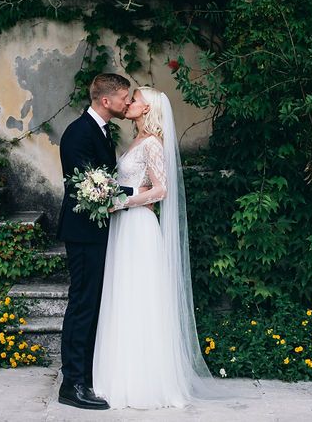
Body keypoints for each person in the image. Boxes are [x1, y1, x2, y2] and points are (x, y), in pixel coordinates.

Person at [92, 86, 216, 408]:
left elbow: (161, 190)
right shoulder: (134, 140)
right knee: (123, 295)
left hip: (139, 226)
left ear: (147, 110)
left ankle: (144, 381)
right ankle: (117, 375)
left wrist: (124, 201)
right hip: (125, 225)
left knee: (140, 298)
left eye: (135, 100)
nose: (129, 103)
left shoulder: (153, 144)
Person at [56, 73, 135, 410]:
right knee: (83, 304)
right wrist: (140, 194)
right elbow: (92, 188)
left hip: (98, 231)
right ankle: (71, 384)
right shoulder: (78, 134)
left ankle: (85, 374)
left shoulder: (102, 132)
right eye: (124, 98)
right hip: (83, 233)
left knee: (93, 303)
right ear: (106, 101)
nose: (127, 103)